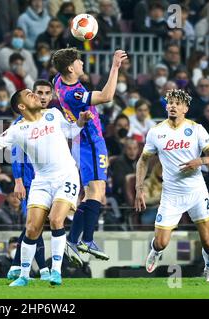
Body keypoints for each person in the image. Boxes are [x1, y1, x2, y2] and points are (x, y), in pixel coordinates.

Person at [0, 88, 94, 286]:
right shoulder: (17, 129)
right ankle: (24, 275)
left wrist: (81, 121)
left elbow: (71, 131)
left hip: (66, 175)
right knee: (32, 229)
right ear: (22, 106)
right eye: (30, 94)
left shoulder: (53, 114)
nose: (36, 95)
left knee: (56, 220)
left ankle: (56, 271)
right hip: (41, 181)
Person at [135, 89, 209, 282]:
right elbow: (143, 161)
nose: (173, 106)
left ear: (185, 108)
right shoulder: (156, 132)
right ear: (166, 106)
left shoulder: (196, 129)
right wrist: (139, 189)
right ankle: (155, 252)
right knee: (161, 242)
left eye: (177, 103)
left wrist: (199, 161)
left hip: (197, 192)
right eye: (170, 103)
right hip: (172, 194)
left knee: (208, 239)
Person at [51, 48, 127, 263]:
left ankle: (74, 241)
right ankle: (86, 240)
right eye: (78, 61)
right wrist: (115, 67)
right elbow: (107, 96)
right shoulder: (71, 93)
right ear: (70, 68)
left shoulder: (59, 80)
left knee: (93, 193)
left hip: (82, 141)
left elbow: (59, 65)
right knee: (96, 192)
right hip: (89, 141)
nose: (82, 64)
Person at [7, 80, 54, 281]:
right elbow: (16, 153)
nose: (42, 97)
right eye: (38, 93)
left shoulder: (50, 118)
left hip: (48, 180)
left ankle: (16, 266)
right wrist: (18, 180)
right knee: (34, 224)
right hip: (29, 181)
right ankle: (43, 269)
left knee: (34, 225)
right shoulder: (20, 124)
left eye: (47, 93)